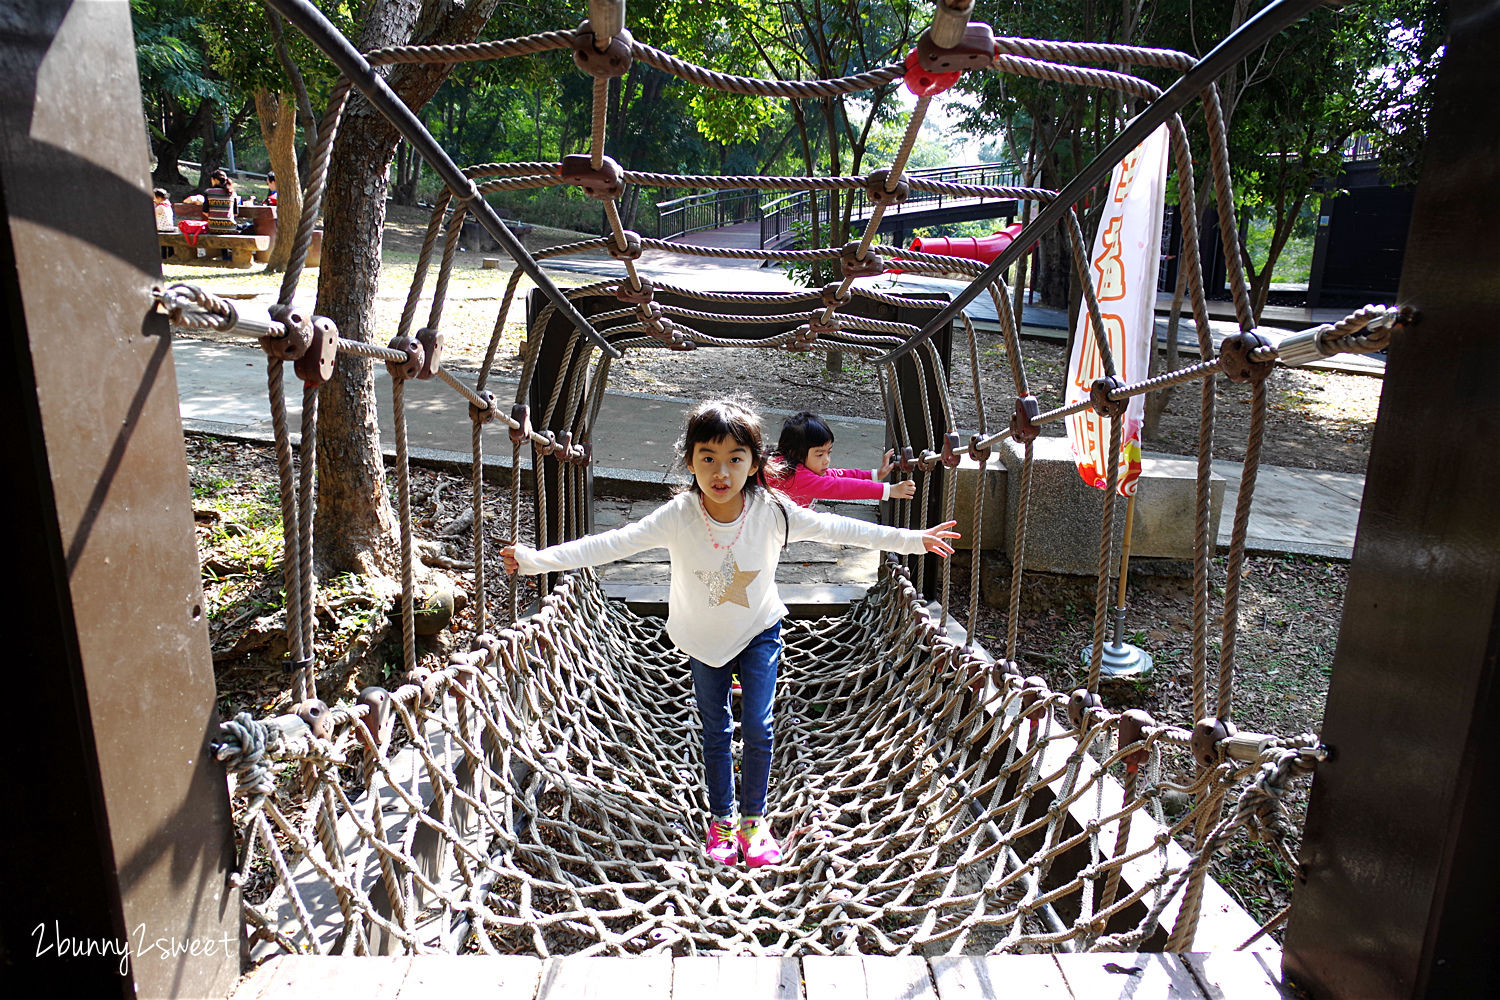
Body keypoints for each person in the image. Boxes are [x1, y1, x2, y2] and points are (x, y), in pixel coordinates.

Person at [501, 399, 959, 869]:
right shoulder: (679, 514)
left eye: (735, 459)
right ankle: (721, 819)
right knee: (715, 729)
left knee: (759, 727)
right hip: (702, 639)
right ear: (691, 461)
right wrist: (538, 560)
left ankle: (753, 821)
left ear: (755, 463)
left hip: (760, 629)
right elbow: (612, 543)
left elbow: (837, 529)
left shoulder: (773, 512)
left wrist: (912, 539)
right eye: (708, 459)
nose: (721, 473)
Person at [769, 410, 916, 509]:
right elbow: (840, 487)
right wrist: (888, 490)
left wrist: (874, 475)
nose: (826, 460)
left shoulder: (794, 467)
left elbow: (836, 476)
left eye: (829, 452)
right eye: (819, 454)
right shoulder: (797, 477)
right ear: (795, 453)